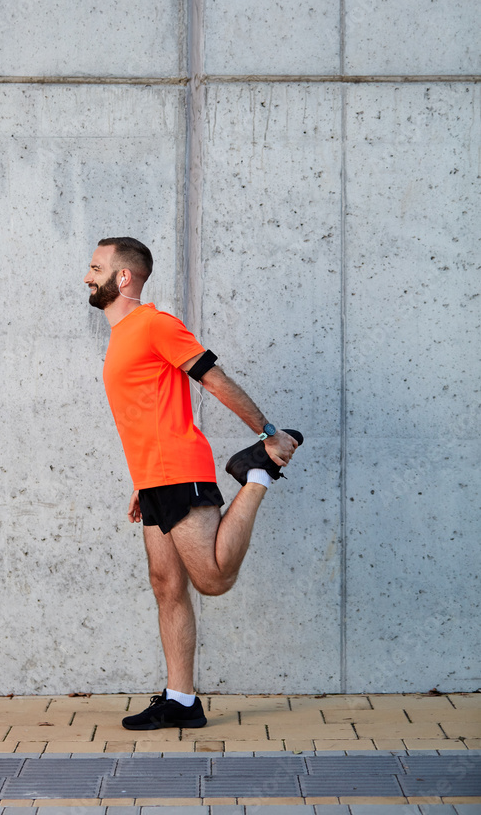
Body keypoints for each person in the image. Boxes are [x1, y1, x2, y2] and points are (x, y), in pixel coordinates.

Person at [84, 236, 302, 730]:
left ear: (124, 277)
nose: (86, 276)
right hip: (155, 477)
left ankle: (257, 473)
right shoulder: (122, 335)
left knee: (213, 579)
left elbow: (214, 378)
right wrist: (141, 481)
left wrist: (268, 434)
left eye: (96, 267)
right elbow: (146, 413)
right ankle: (181, 700)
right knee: (166, 586)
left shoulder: (154, 324)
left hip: (180, 469)